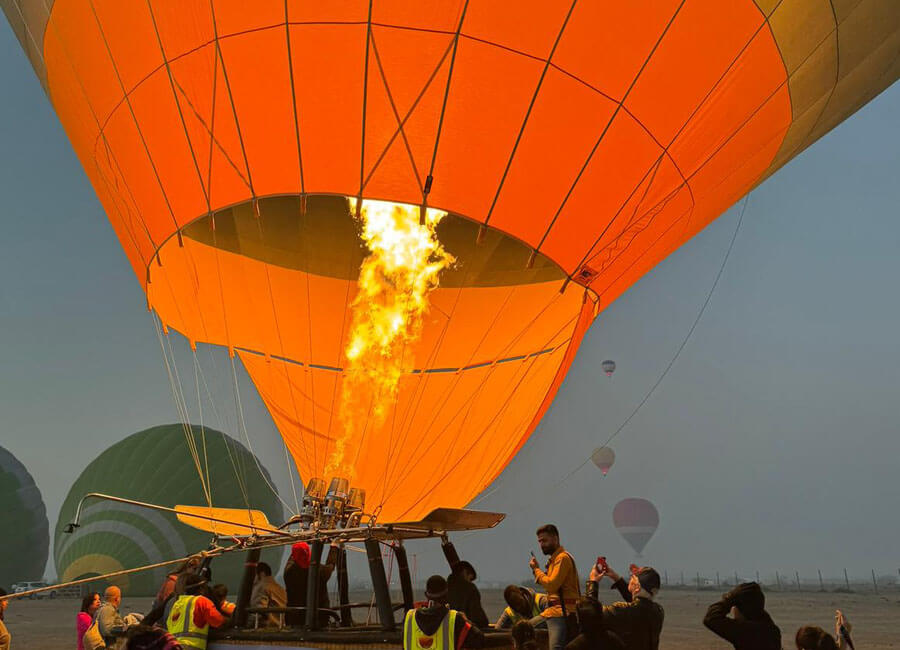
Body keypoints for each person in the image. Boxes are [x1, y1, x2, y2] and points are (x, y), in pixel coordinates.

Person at [590, 561, 664, 650]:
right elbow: (639, 606)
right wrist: (615, 577)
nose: (630, 578)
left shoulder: (620, 610)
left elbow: (590, 613)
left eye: (633, 577)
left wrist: (593, 582)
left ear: (637, 587)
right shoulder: (658, 612)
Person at [528, 524, 580, 650]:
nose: (542, 545)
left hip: (561, 613)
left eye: (544, 540)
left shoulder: (562, 558)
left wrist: (536, 570)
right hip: (552, 612)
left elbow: (551, 585)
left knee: (556, 648)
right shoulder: (554, 560)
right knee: (523, 629)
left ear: (555, 539)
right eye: (540, 541)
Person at [403, 575, 484, 650]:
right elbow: (479, 639)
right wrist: (466, 620)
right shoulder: (455, 619)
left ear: (426, 595)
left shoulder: (409, 618)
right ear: (446, 595)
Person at [702, 582, 781, 650]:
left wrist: (729, 599)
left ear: (741, 610)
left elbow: (711, 618)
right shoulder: (772, 630)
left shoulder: (747, 631)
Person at [163, 573, 227, 649]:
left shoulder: (176, 605)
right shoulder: (201, 601)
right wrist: (232, 620)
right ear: (201, 589)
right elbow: (219, 622)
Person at [283, 542, 339, 626]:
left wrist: (299, 542)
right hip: (320, 618)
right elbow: (331, 565)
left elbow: (293, 557)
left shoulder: (289, 572)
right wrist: (334, 547)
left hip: (294, 619)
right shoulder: (320, 571)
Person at [447, 560, 489, 628]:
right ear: (464, 572)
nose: (470, 582)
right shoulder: (470, 589)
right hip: (464, 632)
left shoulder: (445, 588)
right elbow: (478, 617)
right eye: (470, 579)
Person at [250, 562, 288, 628]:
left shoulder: (261, 586)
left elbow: (258, 611)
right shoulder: (280, 588)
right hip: (279, 626)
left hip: (266, 627)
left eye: (254, 575)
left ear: (262, 574)